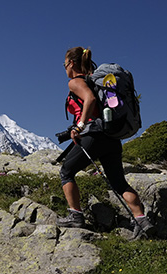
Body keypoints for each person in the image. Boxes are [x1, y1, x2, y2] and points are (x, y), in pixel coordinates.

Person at [58, 46, 154, 236]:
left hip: (93, 135)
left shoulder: (75, 82)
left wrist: (79, 126)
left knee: (66, 172)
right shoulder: (95, 80)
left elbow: (90, 99)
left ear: (71, 63)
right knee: (118, 182)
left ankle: (75, 216)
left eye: (64, 64)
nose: (64, 68)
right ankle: (142, 221)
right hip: (111, 137)